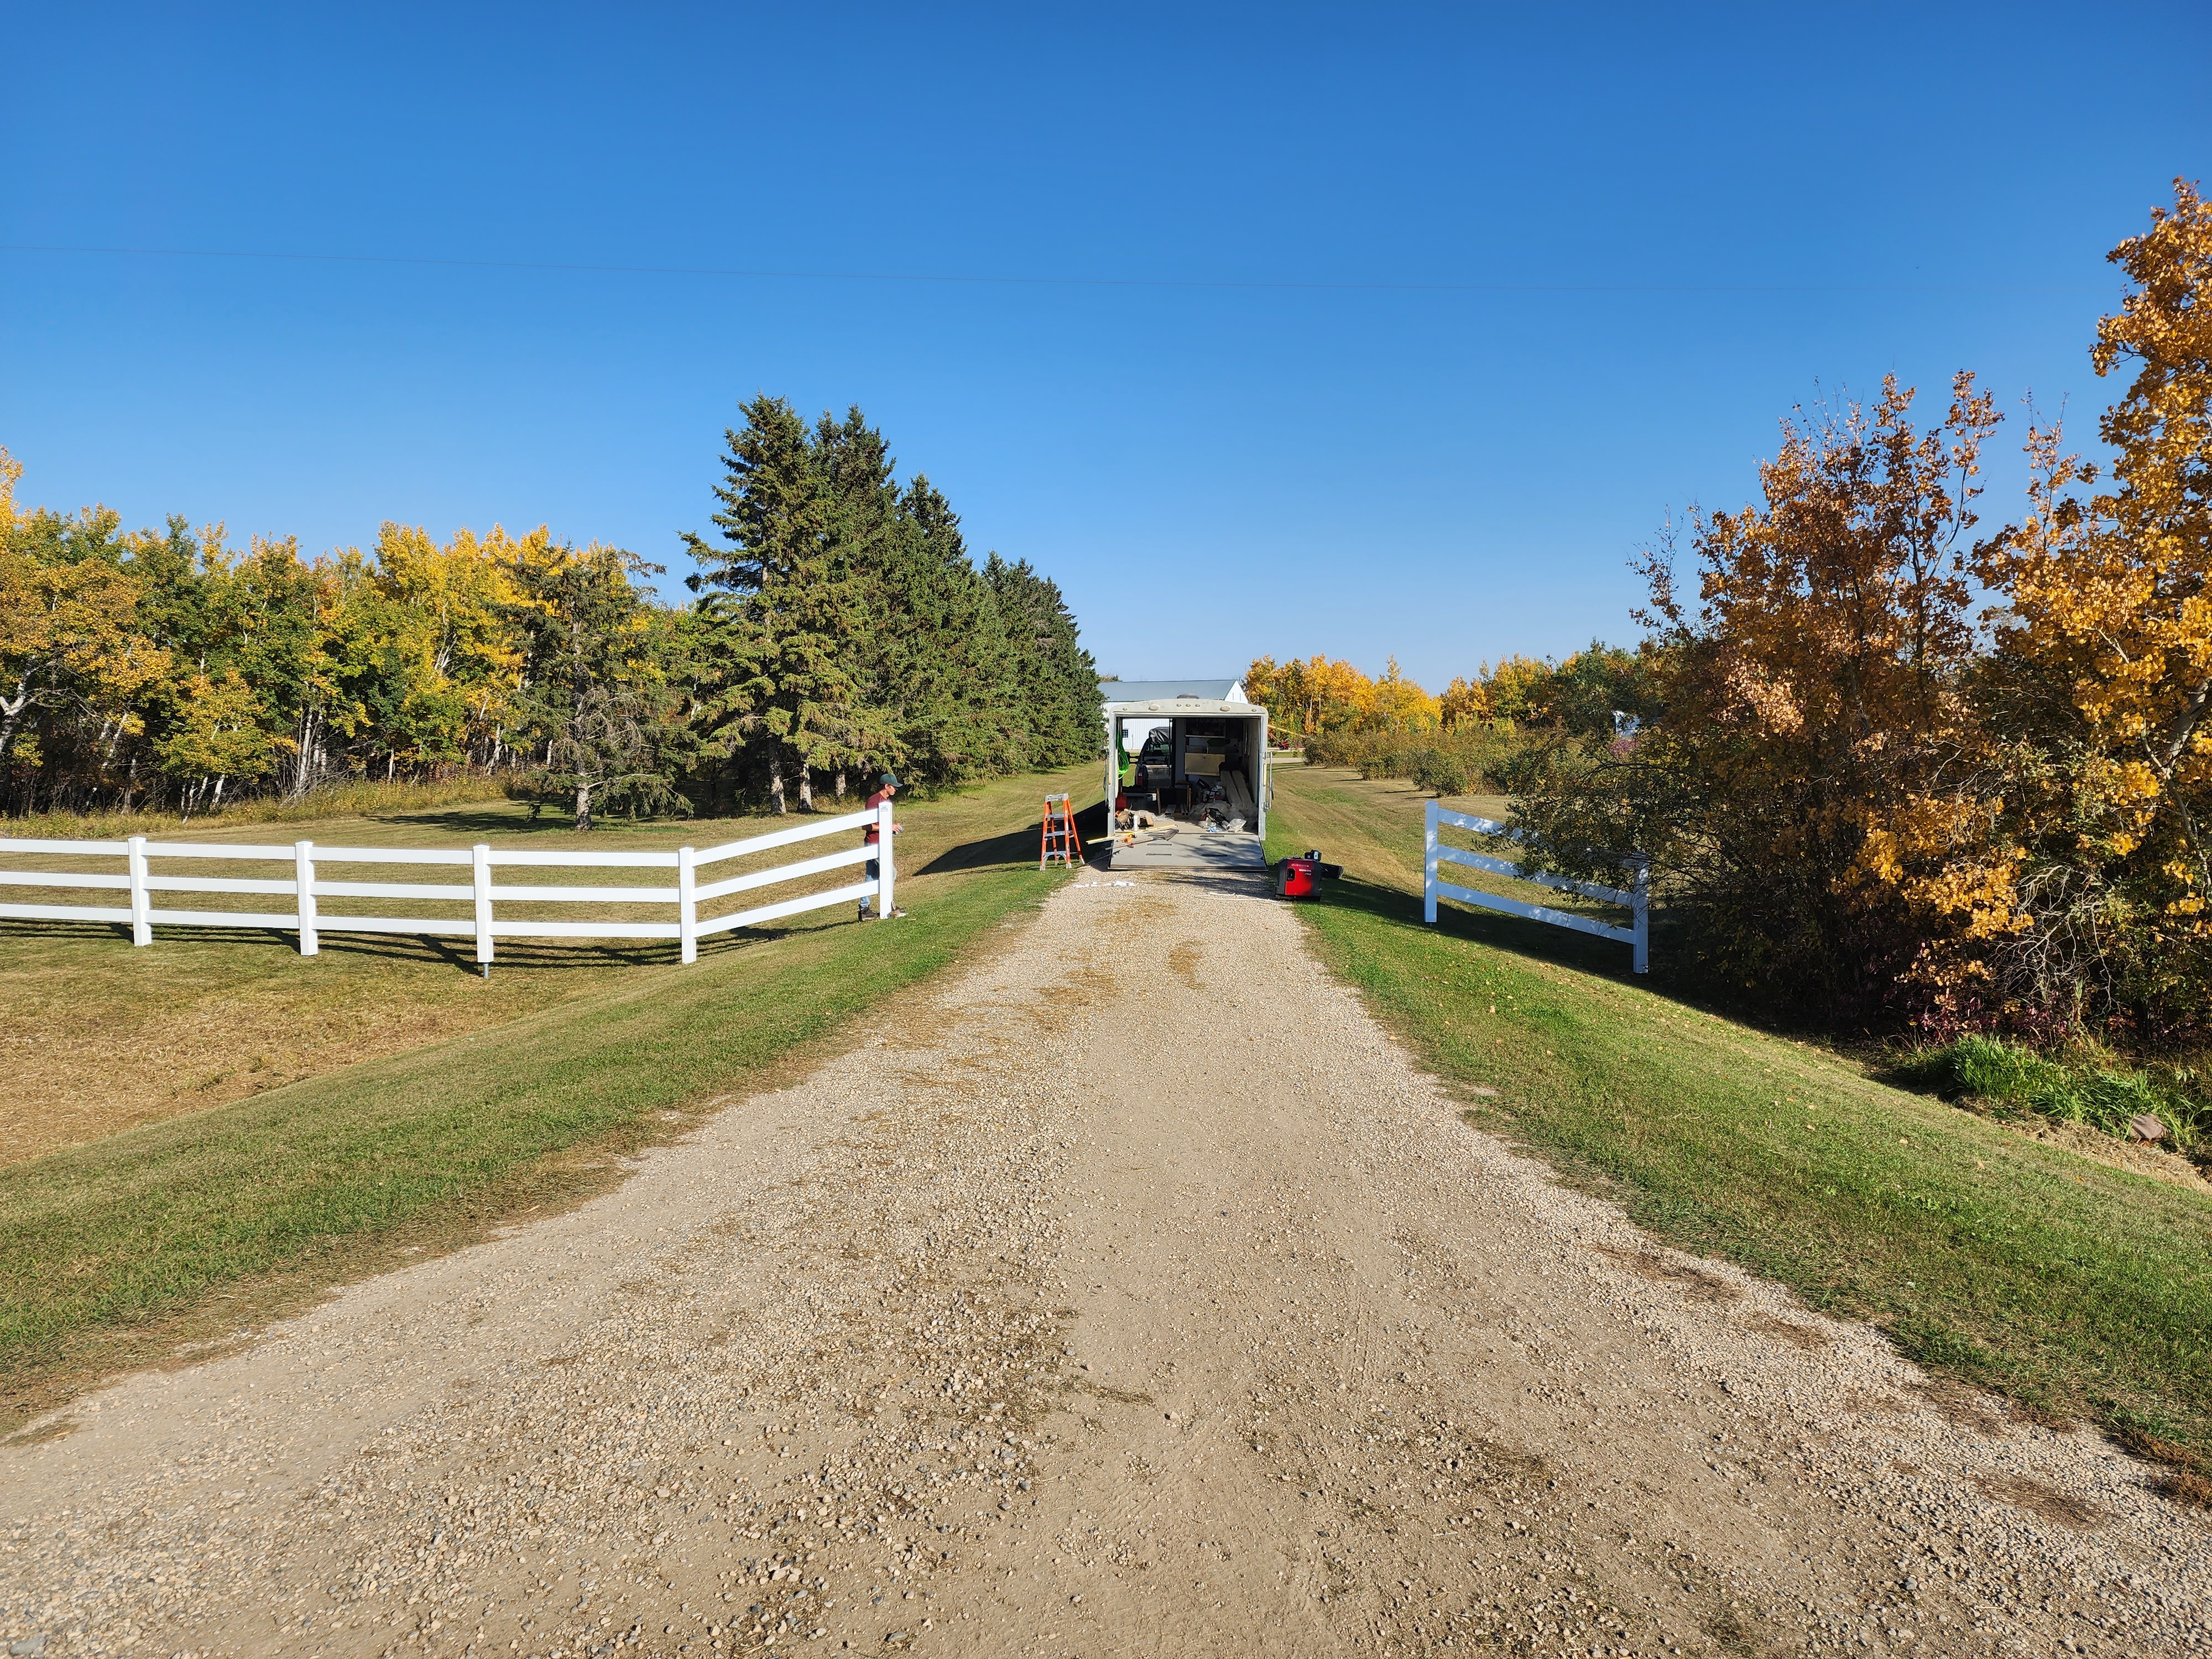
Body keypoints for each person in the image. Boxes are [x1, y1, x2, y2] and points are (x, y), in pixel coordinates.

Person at [858, 770, 906, 920]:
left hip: (883, 844)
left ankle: (864, 910)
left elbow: (883, 824)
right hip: (874, 844)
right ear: (886, 786)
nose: (896, 789)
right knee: (891, 873)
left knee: (871, 876)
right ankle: (888, 905)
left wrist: (893, 827)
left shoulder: (887, 802)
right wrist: (887, 827)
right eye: (894, 786)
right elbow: (866, 826)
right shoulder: (873, 801)